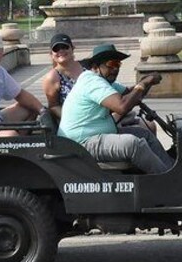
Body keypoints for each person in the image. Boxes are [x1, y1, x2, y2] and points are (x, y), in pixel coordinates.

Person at [58, 44, 173, 174]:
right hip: (81, 143)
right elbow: (122, 107)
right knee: (132, 143)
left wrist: (146, 81)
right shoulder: (92, 81)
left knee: (144, 134)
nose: (115, 69)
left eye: (118, 64)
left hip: (95, 137)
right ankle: (168, 182)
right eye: (111, 64)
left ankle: (171, 171)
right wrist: (143, 84)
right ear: (96, 67)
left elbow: (130, 95)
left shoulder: (104, 81)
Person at [41, 33, 84, 121]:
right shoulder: (52, 77)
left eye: (64, 47)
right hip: (73, 121)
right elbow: (53, 106)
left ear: (73, 48)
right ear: (51, 54)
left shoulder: (87, 67)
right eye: (56, 49)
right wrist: (72, 120)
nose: (61, 51)